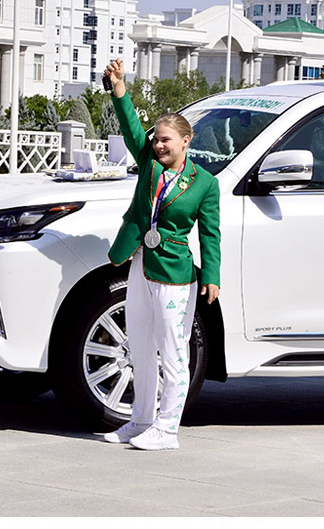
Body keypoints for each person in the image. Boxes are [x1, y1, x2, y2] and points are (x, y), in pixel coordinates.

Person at [100, 58, 221, 451]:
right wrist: (119, 87)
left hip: (175, 272)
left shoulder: (205, 183)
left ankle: (168, 429)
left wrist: (213, 276)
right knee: (138, 345)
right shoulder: (149, 165)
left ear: (187, 141)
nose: (159, 144)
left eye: (167, 139)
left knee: (172, 352)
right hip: (141, 263)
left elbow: (211, 234)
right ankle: (141, 421)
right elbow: (132, 128)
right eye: (157, 139)